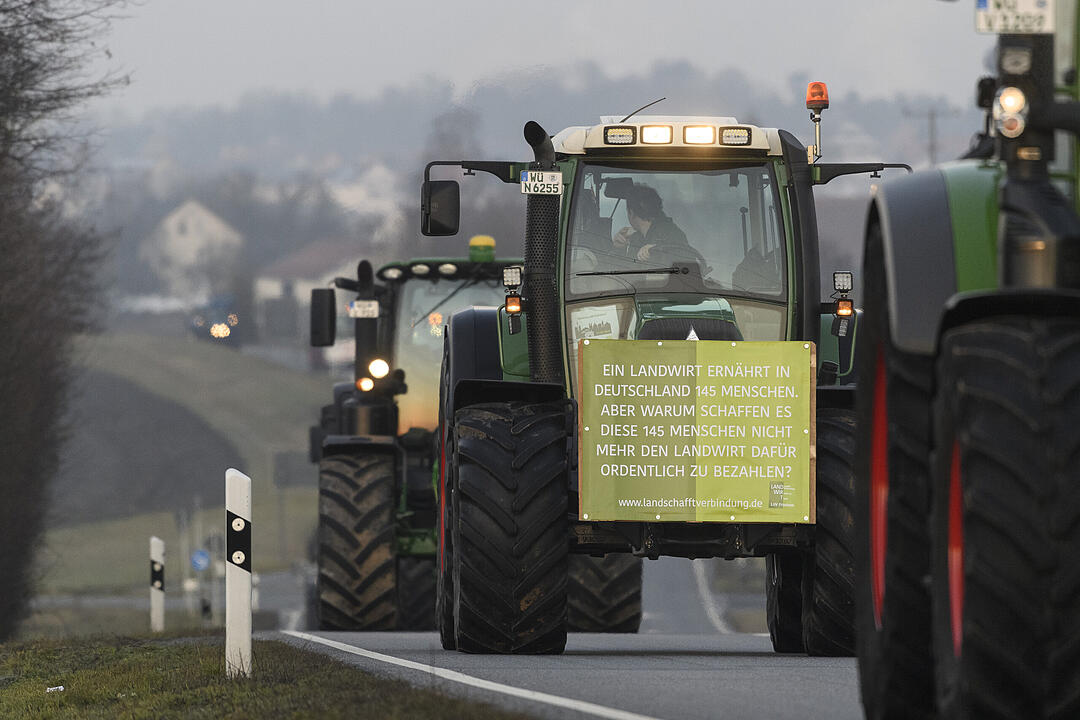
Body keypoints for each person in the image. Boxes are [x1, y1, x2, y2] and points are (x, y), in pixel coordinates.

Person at [612, 184, 689, 262]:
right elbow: (626, 270)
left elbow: (683, 261)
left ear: (631, 213)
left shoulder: (673, 235)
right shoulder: (636, 239)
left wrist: (657, 248)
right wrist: (619, 249)